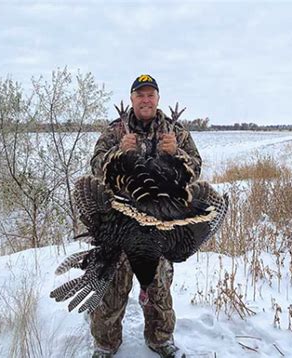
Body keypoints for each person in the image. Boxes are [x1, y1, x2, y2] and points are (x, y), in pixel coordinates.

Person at [88, 74, 202, 358]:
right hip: (120, 224)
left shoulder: (176, 132)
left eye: (151, 94)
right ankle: (105, 344)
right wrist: (118, 152)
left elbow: (196, 169)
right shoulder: (115, 131)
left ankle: (160, 340)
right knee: (112, 288)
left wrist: (177, 154)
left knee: (159, 287)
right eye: (140, 95)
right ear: (132, 99)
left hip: (160, 225)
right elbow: (95, 167)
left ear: (158, 99)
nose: (146, 99)